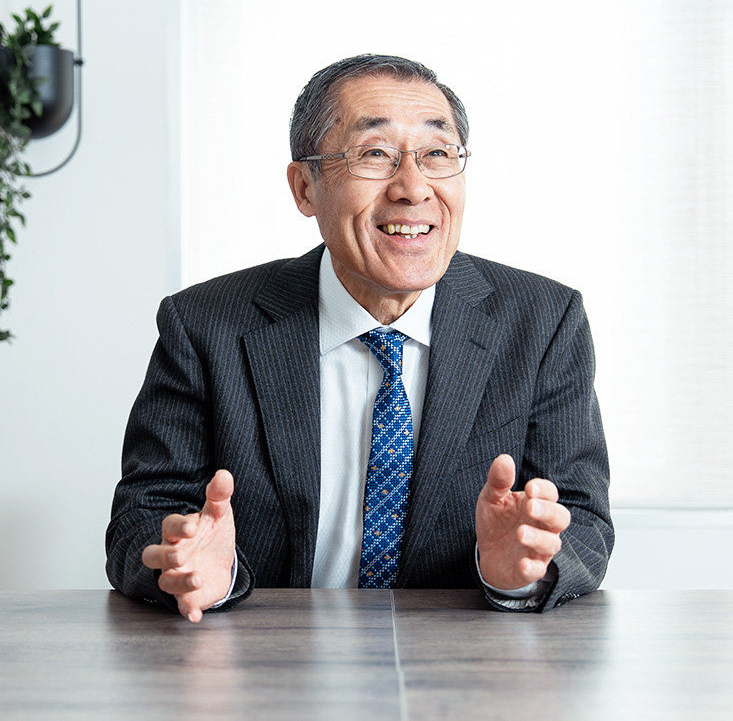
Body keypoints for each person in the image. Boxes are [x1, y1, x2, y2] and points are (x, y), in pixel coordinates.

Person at [106, 54, 613, 623]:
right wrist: (197, 568)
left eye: (437, 154)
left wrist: (522, 568)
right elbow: (142, 516)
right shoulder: (204, 324)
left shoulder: (543, 322)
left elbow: (582, 518)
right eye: (374, 154)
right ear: (305, 188)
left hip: (463, 654)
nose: (413, 188)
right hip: (266, 653)